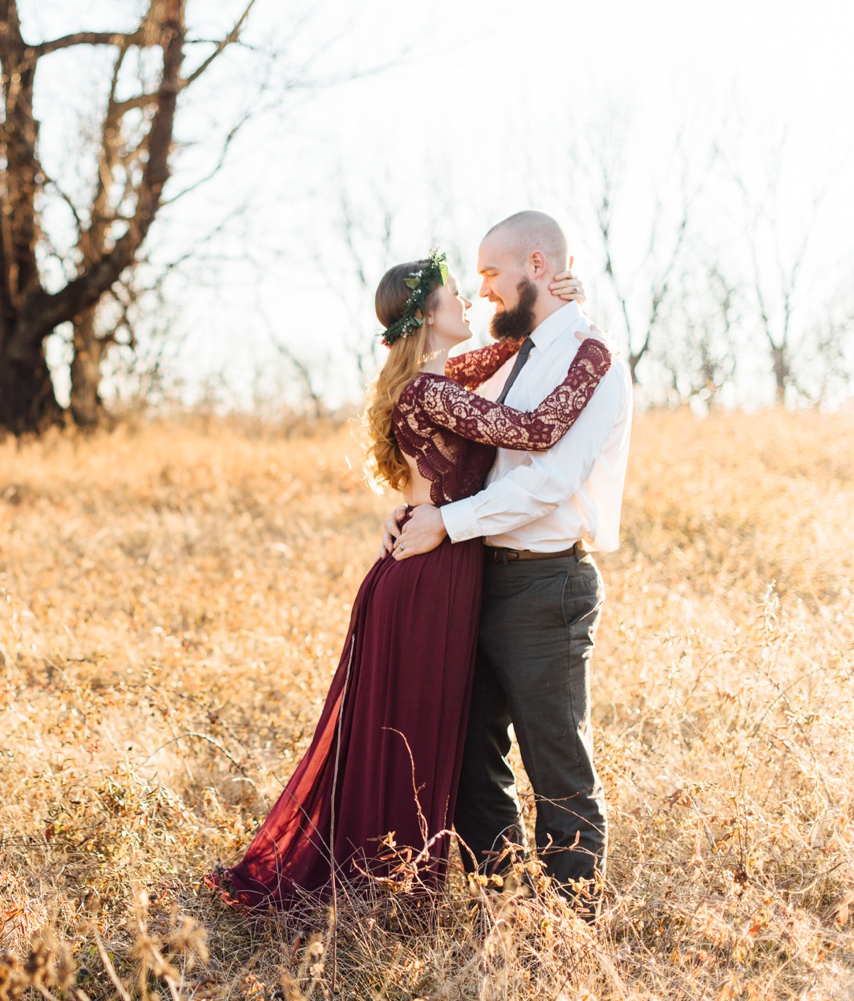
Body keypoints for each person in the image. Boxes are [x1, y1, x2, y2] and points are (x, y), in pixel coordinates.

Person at [206, 238, 614, 912]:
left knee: (429, 737)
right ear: (428, 314)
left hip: (441, 567)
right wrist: (593, 354)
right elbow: (536, 428)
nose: (471, 299)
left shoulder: (438, 378)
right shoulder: (432, 387)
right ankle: (375, 891)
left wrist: (559, 311)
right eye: (458, 292)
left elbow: (508, 350)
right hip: (430, 578)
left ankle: (396, 890)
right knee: (413, 739)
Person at [386, 210, 633, 916]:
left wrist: (447, 523)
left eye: (492, 273)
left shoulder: (593, 359)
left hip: (546, 582)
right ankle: (506, 900)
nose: (483, 289)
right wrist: (414, 507)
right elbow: (449, 435)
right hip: (478, 578)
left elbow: (549, 482)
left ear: (536, 264)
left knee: (556, 762)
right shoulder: (513, 355)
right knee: (468, 753)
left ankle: (571, 922)